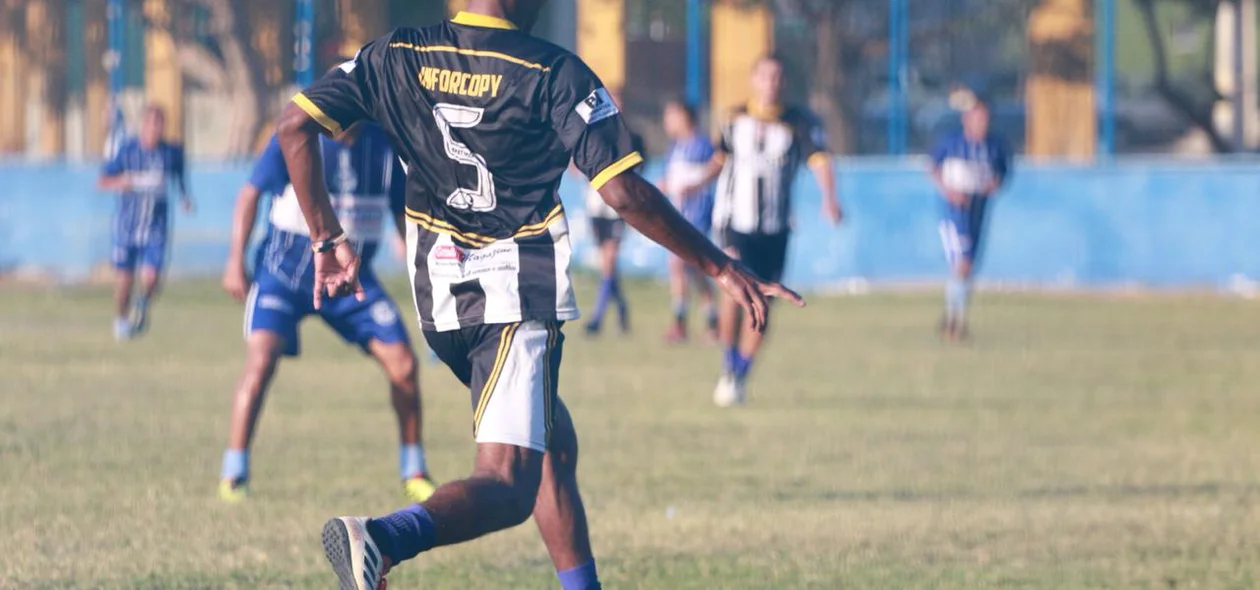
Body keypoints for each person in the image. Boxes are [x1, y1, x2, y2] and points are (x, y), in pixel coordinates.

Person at [274, 2, 802, 589]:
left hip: (441, 301)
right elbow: (623, 194)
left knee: (553, 447)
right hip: (514, 300)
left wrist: (327, 240)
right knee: (507, 483)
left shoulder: (395, 55)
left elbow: (294, 127)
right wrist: (721, 266)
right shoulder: (555, 72)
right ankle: (381, 537)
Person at [217, 121, 435, 504]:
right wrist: (235, 259)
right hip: (284, 273)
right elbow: (249, 194)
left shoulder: (384, 147)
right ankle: (234, 473)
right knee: (260, 362)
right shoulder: (298, 136)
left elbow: (403, 215)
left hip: (351, 281)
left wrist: (423, 274)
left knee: (403, 365)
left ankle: (414, 470)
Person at [683, 55, 843, 408]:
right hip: (733, 223)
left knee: (764, 301)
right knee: (732, 289)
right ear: (754, 80)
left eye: (778, 77)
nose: (771, 83)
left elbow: (820, 161)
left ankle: (741, 371)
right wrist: (696, 184)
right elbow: (719, 160)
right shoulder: (733, 118)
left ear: (784, 83)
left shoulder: (798, 123)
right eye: (765, 76)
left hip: (775, 228)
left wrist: (830, 199)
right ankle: (727, 362)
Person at [96, 105, 194, 341]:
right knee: (124, 281)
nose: (155, 129)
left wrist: (184, 198)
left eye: (160, 124)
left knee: (151, 279)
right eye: (151, 123)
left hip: (155, 229)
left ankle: (142, 304)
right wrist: (121, 182)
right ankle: (120, 320)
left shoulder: (171, 153)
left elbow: (180, 178)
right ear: (143, 125)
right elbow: (102, 180)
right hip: (126, 228)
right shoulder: (127, 150)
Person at [929, 97, 1010, 341]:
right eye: (977, 118)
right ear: (967, 120)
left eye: (985, 119)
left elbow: (1002, 173)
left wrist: (991, 186)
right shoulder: (952, 143)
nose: (982, 124)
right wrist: (949, 191)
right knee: (962, 264)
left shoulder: (994, 147)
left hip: (978, 211)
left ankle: (954, 316)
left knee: (968, 267)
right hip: (954, 213)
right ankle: (955, 319)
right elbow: (932, 166)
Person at [582, 94, 644, 336]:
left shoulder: (632, 136)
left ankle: (596, 319)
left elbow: (640, 167)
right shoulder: (590, 132)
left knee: (609, 261)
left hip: (619, 208)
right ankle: (621, 309)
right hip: (595, 206)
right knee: (607, 266)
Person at [658, 99, 718, 343]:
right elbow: (672, 178)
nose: (667, 122)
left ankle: (682, 323)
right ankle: (711, 320)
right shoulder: (674, 147)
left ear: (684, 116)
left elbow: (717, 166)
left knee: (681, 265)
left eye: (671, 115)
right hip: (678, 214)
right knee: (692, 269)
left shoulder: (701, 144)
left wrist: (697, 183)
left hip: (697, 214)